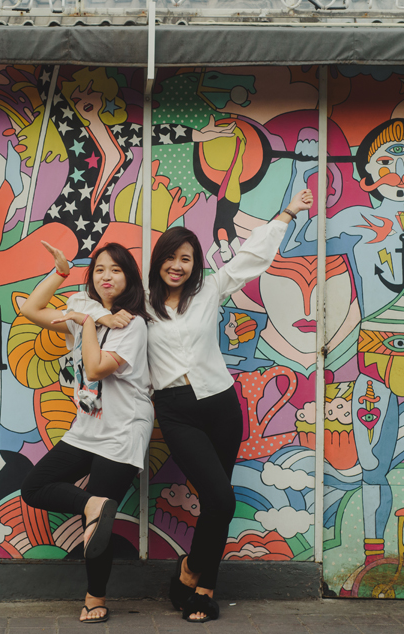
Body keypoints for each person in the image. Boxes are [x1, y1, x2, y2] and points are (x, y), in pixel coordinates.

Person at [152, 188, 313, 622]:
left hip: (221, 405)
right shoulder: (141, 306)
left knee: (216, 503)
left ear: (195, 264)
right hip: (176, 409)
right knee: (222, 499)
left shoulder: (209, 290)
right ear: (159, 260)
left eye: (186, 259)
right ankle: (188, 571)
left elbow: (251, 257)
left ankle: (204, 588)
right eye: (171, 257)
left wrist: (287, 213)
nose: (178, 265)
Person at [19, 240, 153, 624]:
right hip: (87, 426)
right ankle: (93, 504)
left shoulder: (132, 324)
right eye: (99, 269)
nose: (106, 276)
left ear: (129, 277)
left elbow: (94, 368)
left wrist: (89, 323)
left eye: (116, 269)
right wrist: (60, 274)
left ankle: (95, 598)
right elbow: (31, 310)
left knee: (95, 527)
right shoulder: (85, 308)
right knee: (35, 487)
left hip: (122, 429)